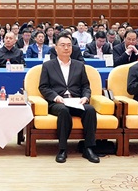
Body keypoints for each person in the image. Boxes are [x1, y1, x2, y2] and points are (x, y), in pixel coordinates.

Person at [38, 33, 99, 164]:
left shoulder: (79, 65)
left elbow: (86, 86)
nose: (66, 48)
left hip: (76, 101)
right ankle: (62, 149)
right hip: (58, 102)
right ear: (56, 48)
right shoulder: (48, 65)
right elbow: (43, 87)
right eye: (63, 45)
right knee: (63, 111)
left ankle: (89, 148)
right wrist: (55, 97)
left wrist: (85, 97)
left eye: (69, 45)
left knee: (90, 110)